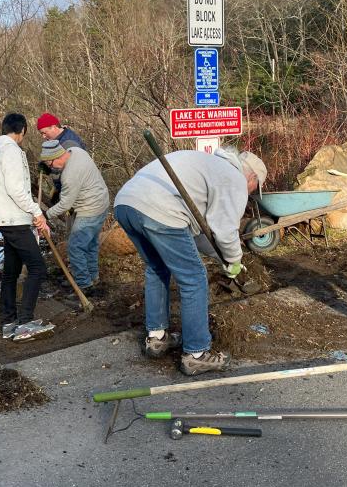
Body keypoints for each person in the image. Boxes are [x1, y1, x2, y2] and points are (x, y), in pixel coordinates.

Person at [114, 146, 267, 376]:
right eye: (255, 189)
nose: (251, 194)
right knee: (194, 278)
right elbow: (225, 231)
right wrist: (235, 260)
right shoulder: (233, 178)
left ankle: (157, 339)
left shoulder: (207, 165)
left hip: (126, 203)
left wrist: (222, 258)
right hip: (160, 209)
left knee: (157, 269)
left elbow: (201, 236)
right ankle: (196, 354)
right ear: (252, 176)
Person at [0, 113, 55, 341]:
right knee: (37, 268)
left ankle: (9, 321)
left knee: (11, 271)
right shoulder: (12, 152)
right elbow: (17, 189)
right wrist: (37, 212)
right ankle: (25, 323)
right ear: (22, 130)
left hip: (3, 218)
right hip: (14, 219)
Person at [39, 139, 109, 292]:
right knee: (90, 244)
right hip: (102, 202)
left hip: (90, 209)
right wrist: (49, 169)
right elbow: (59, 169)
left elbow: (65, 204)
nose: (52, 169)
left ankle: (85, 286)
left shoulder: (70, 175)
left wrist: (45, 215)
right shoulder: (76, 152)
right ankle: (93, 277)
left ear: (56, 157)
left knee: (75, 247)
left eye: (50, 165)